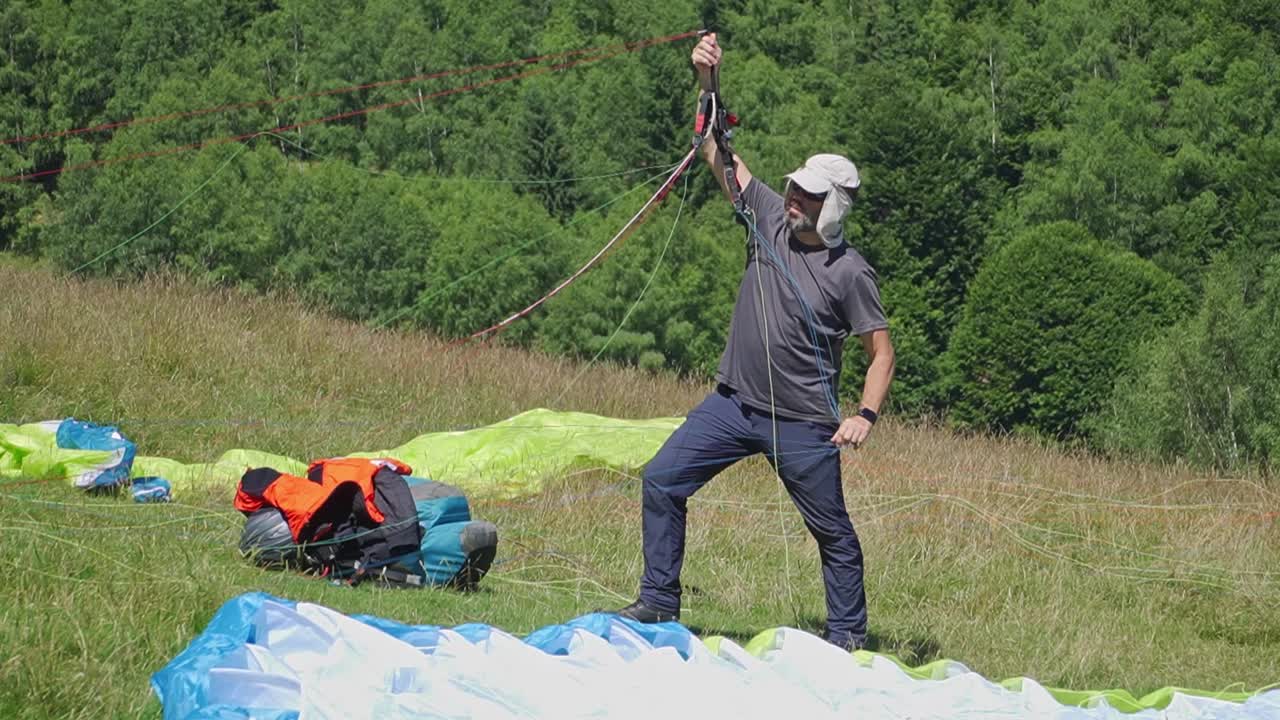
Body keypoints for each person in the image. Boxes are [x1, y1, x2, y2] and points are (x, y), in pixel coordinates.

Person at [613, 33, 895, 652]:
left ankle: (847, 638)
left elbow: (881, 353)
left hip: (802, 423)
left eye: (807, 197)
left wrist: (865, 416)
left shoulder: (852, 273)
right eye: (793, 189)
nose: (792, 200)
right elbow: (715, 148)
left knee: (834, 534)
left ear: (833, 209)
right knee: (662, 479)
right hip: (733, 405)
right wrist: (707, 81)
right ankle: (659, 602)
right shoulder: (767, 214)